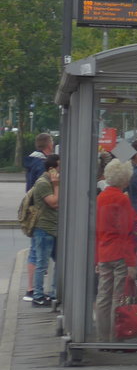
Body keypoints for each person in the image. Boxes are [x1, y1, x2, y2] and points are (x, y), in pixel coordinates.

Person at [95, 159, 137, 342]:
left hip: (104, 252)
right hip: (120, 253)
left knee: (103, 295)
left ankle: (101, 336)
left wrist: (96, 258)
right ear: (124, 180)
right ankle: (115, 335)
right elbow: (128, 230)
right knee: (117, 296)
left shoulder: (100, 198)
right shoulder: (122, 199)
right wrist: (132, 262)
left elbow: (97, 229)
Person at [22, 132, 53, 300]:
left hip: (34, 210)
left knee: (35, 250)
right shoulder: (42, 165)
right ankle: (32, 289)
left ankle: (31, 288)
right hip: (41, 213)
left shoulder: (33, 162)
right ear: (48, 145)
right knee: (37, 252)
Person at [29, 153, 61, 308]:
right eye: (59, 167)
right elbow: (54, 203)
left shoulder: (51, 181)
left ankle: (54, 293)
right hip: (44, 229)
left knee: (60, 261)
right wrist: (56, 185)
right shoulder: (43, 183)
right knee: (42, 264)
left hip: (53, 229)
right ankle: (38, 296)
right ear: (52, 169)